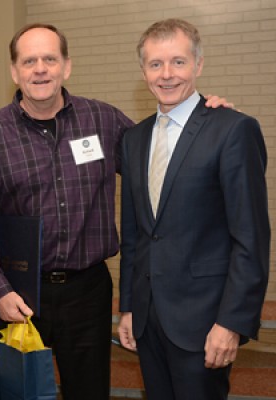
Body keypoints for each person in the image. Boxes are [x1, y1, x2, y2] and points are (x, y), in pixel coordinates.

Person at [0, 23, 232, 400]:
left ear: (66, 66)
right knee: (19, 393)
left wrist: (204, 119)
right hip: (18, 293)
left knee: (89, 392)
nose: (40, 69)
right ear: (14, 71)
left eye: (50, 59)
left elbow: (167, 160)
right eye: (30, 61)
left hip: (88, 292)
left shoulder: (103, 121)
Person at [117, 19, 270, 400]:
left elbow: (250, 237)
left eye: (178, 62)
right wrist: (130, 309)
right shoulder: (134, 139)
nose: (166, 75)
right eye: (155, 64)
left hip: (204, 322)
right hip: (149, 322)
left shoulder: (233, 130)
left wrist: (231, 322)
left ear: (198, 65)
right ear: (143, 71)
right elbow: (136, 233)